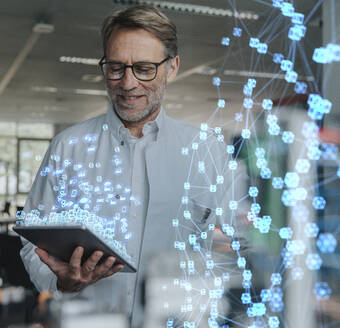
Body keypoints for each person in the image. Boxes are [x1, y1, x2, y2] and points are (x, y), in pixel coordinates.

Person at [20, 5, 248, 327]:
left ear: (172, 67)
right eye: (115, 68)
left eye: (144, 68)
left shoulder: (207, 152)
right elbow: (32, 239)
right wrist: (60, 281)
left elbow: (242, 245)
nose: (127, 83)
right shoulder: (67, 147)